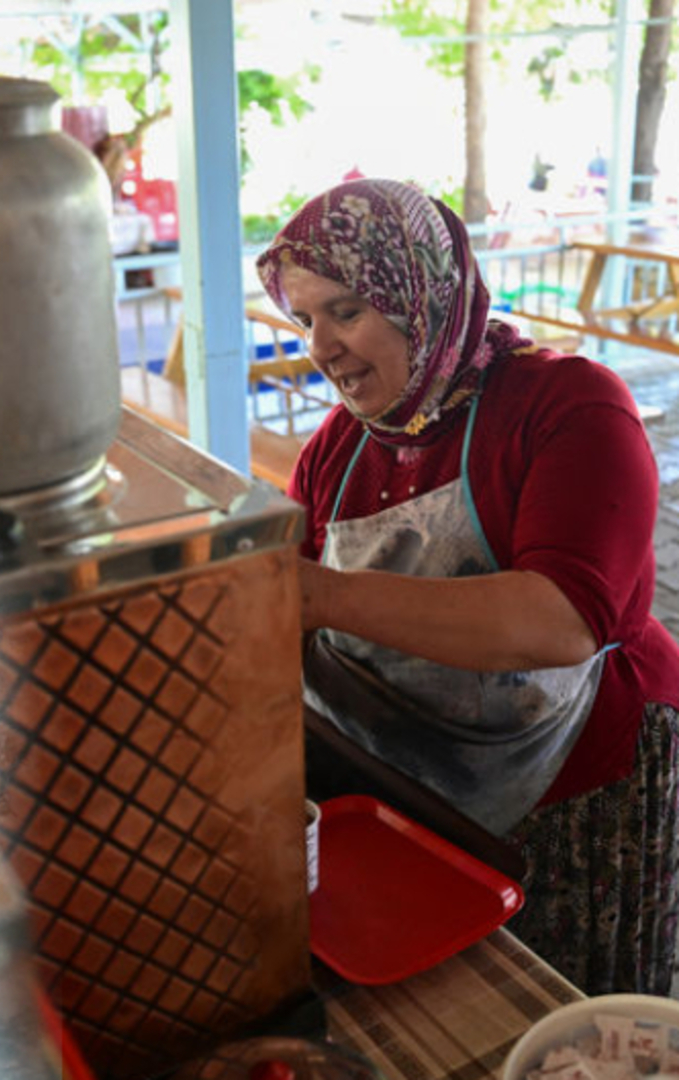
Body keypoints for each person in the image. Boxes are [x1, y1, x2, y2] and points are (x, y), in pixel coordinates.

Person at [262, 178, 679, 995]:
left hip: (581, 782)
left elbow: (562, 620)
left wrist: (315, 595)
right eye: (305, 318)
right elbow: (279, 607)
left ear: (424, 296)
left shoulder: (570, 406)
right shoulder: (339, 450)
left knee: (568, 1003)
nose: (320, 346)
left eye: (345, 311)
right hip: (416, 784)